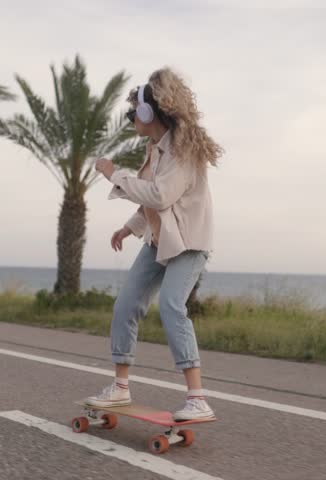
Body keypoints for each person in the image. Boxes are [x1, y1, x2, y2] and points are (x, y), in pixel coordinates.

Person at [90, 67, 223, 420]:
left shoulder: (182, 150)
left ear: (149, 113)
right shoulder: (155, 149)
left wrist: (113, 173)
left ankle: (197, 399)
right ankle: (119, 388)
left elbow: (162, 195)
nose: (132, 117)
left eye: (134, 112)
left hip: (190, 243)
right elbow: (150, 200)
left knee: (171, 306)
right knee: (126, 304)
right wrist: (129, 227)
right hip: (159, 241)